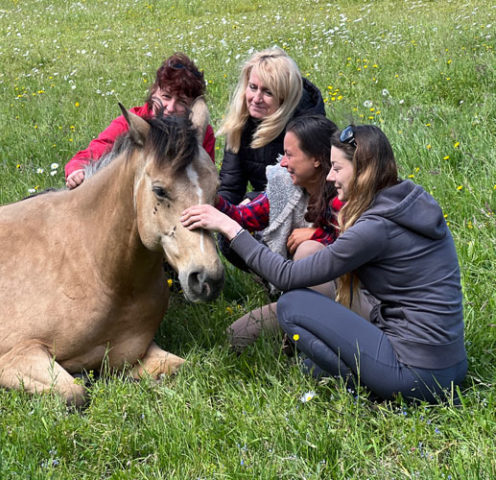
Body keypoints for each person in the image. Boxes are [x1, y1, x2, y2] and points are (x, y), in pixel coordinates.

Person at [181, 124, 467, 403]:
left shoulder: (375, 228)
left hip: (415, 374)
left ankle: (369, 390)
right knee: (312, 364)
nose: (331, 177)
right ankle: (361, 375)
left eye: (338, 168)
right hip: (450, 367)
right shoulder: (407, 201)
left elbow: (285, 275)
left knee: (292, 305)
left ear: (364, 171)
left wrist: (229, 228)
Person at [214, 115, 343, 351]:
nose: (283, 163)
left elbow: (354, 245)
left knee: (308, 250)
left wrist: (318, 236)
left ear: (316, 160)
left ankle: (313, 341)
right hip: (297, 292)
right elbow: (245, 216)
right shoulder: (285, 186)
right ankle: (296, 329)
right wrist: (213, 202)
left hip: (345, 299)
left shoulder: (343, 193)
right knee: (235, 337)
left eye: (290, 155)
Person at [65, 52, 216, 188]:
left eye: (182, 102)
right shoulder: (134, 121)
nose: (170, 108)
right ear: (153, 92)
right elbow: (94, 150)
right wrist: (77, 170)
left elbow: (203, 176)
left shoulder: (201, 132)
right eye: (166, 97)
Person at [216, 47, 325, 205]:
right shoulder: (241, 123)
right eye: (253, 87)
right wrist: (219, 214)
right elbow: (230, 187)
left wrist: (251, 201)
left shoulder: (307, 131)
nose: (256, 98)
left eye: (268, 92)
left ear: (284, 97)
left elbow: (296, 192)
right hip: (261, 207)